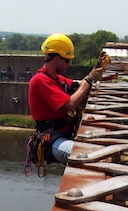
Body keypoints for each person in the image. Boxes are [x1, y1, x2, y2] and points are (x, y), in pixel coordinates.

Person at [28, 33, 105, 165]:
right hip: (51, 140)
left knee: (92, 153)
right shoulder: (41, 80)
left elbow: (79, 86)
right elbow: (70, 104)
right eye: (67, 61)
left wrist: (95, 72)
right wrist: (89, 79)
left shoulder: (56, 79)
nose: (69, 65)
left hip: (61, 136)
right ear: (57, 60)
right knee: (83, 154)